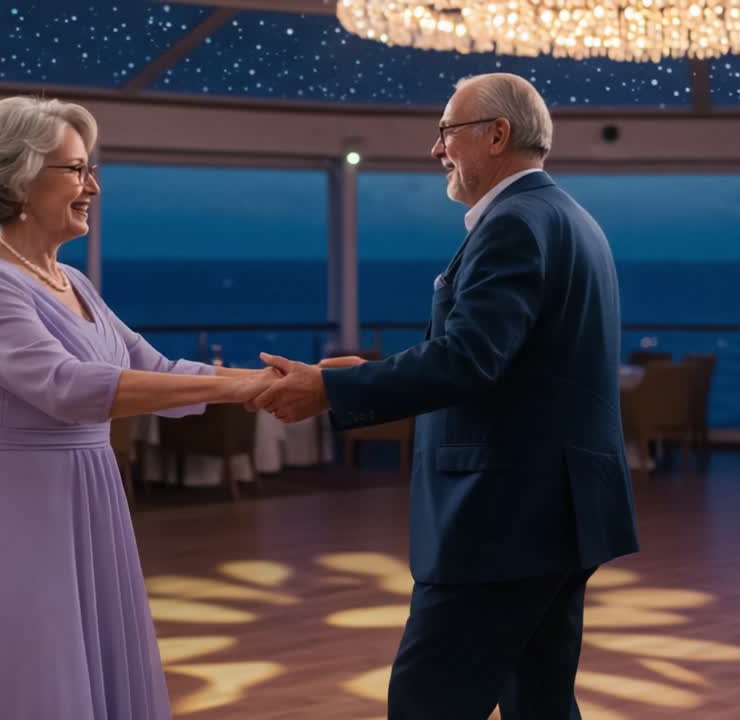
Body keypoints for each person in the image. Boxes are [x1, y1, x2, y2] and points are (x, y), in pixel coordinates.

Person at [251, 73, 640, 719]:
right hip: (562, 514)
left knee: (426, 702)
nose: (437, 150)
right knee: (540, 702)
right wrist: (364, 373)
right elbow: (506, 359)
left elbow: (469, 359)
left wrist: (332, 389)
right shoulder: (572, 220)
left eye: (447, 133)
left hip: (500, 519)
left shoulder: (513, 223)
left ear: (496, 134)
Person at [0, 95, 278, 720]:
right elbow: (68, 387)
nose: (92, 187)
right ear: (19, 177)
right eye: (75, 170)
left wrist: (274, 380)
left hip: (87, 488)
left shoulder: (73, 282)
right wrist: (236, 389)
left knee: (89, 658)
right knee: (36, 663)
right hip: (17, 497)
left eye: (89, 169)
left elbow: (154, 370)